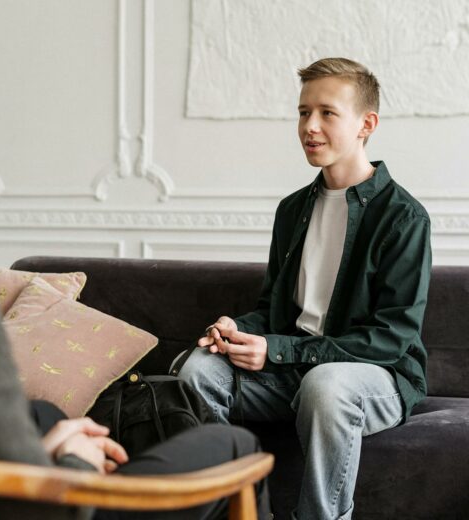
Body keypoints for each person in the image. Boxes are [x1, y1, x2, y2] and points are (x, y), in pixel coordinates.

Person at [0, 38, 271, 520]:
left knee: (47, 416)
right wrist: (73, 462)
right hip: (52, 507)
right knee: (235, 445)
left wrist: (51, 444)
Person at [179, 58, 432, 520]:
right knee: (198, 372)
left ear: (366, 124)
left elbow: (392, 338)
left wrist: (277, 351)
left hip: (374, 379)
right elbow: (273, 309)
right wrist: (237, 328)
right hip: (292, 372)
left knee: (325, 385)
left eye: (327, 113)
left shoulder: (403, 218)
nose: (309, 127)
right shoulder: (293, 210)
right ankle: (233, 509)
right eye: (302, 112)